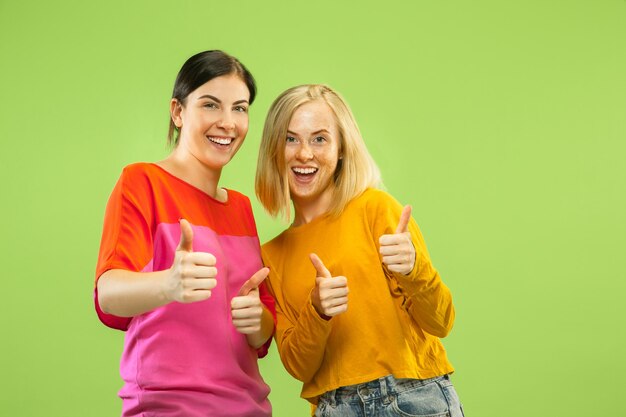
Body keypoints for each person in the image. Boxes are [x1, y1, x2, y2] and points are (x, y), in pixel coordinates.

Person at [255, 84, 464, 416]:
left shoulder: (376, 210)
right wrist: (318, 311)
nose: (304, 154)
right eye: (290, 138)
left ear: (341, 149)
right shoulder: (272, 255)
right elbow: (299, 366)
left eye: (319, 139)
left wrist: (412, 270)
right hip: (335, 407)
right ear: (273, 151)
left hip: (410, 397)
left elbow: (442, 321)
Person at [94, 50, 274, 417]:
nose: (228, 122)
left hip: (249, 408)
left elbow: (263, 328)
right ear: (178, 112)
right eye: (211, 105)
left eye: (239, 108)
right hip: (169, 407)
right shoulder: (142, 182)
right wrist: (169, 284)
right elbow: (108, 294)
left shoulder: (241, 208)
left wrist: (257, 320)